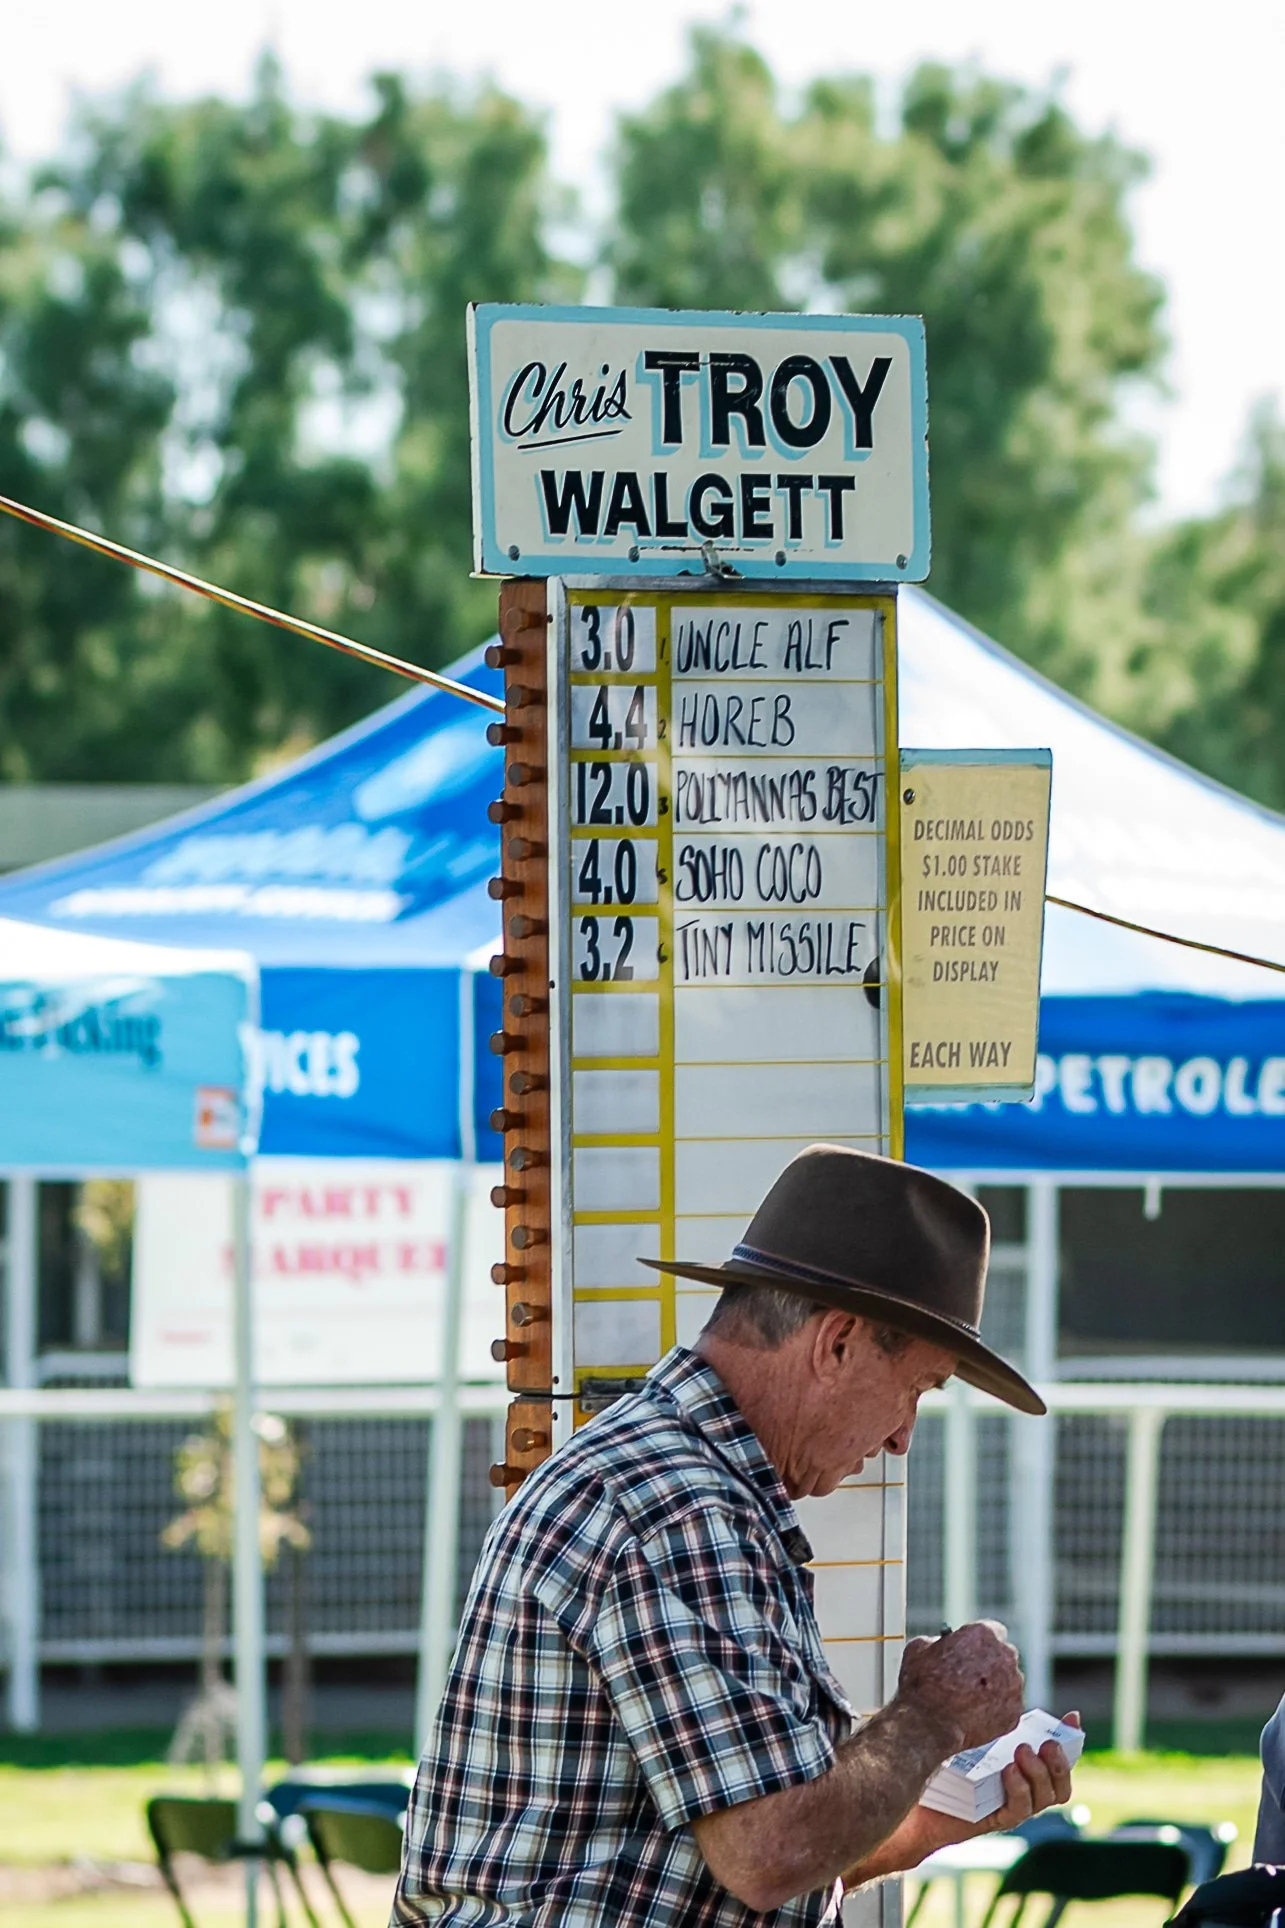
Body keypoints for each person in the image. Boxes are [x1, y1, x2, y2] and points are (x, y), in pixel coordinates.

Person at [392, 1144, 1078, 1927]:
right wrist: (930, 1717)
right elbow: (768, 1853)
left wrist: (940, 1822)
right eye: (916, 1389)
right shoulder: (680, 1503)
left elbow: (732, 1867)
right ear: (838, 1342)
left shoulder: (688, 1484)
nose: (901, 1437)